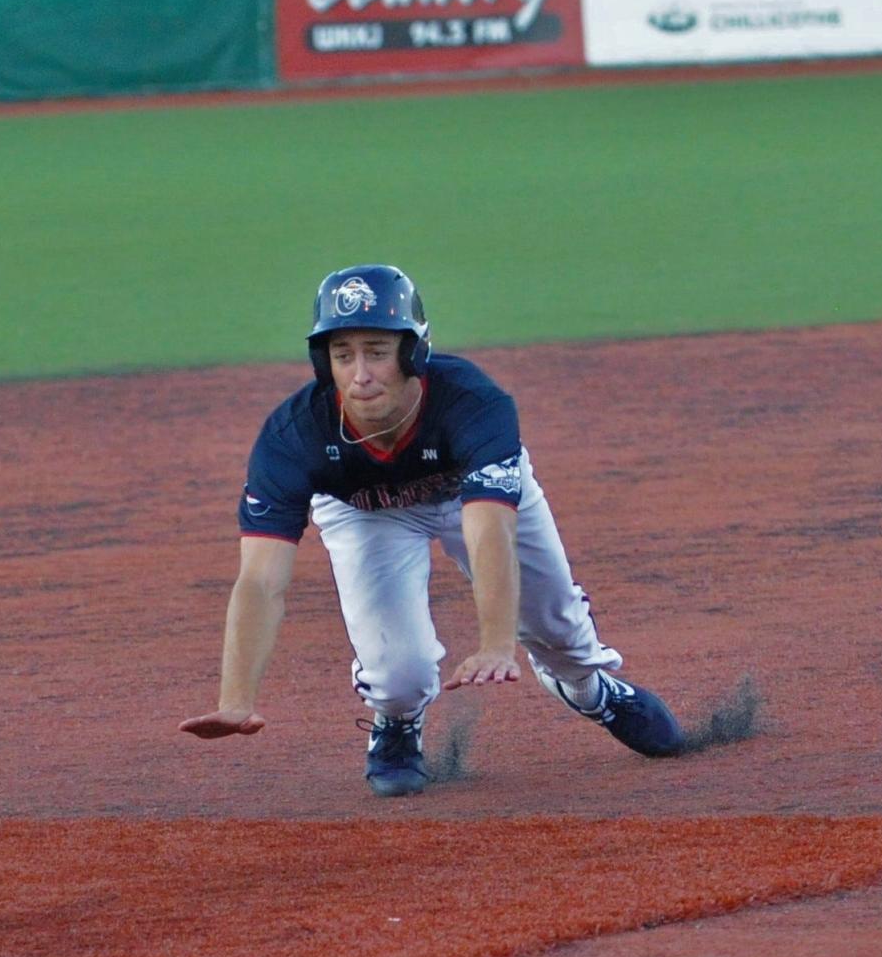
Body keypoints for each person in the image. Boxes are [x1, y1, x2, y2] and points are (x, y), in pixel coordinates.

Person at [180, 264, 684, 794]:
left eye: (376, 350)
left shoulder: (474, 404)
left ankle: (589, 690)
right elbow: (261, 580)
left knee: (560, 634)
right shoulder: (293, 437)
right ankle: (396, 724)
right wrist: (236, 699)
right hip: (366, 513)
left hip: (468, 495)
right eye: (342, 354)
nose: (360, 373)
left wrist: (495, 643)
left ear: (413, 351)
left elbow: (490, 531)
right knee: (399, 676)